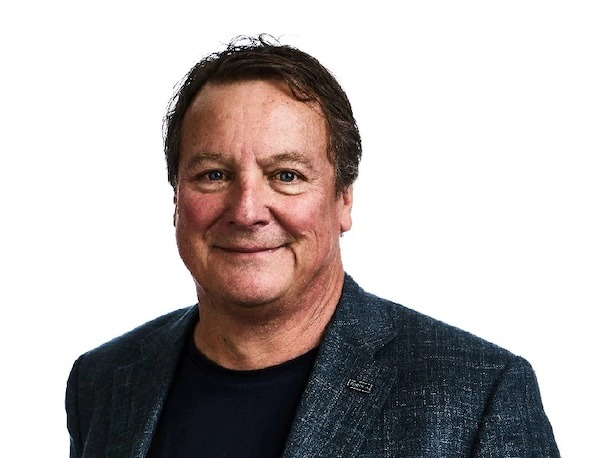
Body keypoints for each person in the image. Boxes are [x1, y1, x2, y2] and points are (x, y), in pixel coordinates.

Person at [65, 35, 560, 457]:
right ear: (177, 197)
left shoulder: (479, 394)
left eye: (286, 175)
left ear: (343, 199)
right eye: (213, 175)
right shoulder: (103, 382)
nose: (246, 211)